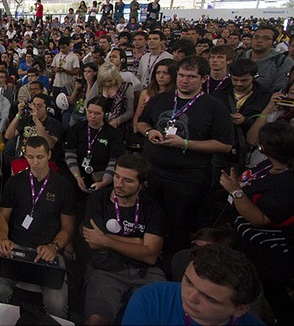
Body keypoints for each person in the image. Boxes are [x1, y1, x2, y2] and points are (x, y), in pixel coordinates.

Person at [136, 56, 233, 254]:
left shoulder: (214, 107)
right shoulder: (161, 99)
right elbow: (141, 122)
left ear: (204, 79)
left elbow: (224, 145)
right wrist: (149, 132)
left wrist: (186, 144)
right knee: (147, 218)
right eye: (181, 75)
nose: (184, 80)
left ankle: (173, 260)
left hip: (187, 179)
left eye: (191, 76)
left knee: (178, 225)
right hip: (152, 172)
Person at [0, 136, 76, 319]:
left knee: (57, 305)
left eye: (40, 157)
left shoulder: (63, 186)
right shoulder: (15, 182)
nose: (35, 162)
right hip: (15, 247)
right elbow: (3, 215)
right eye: (30, 157)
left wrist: (55, 246)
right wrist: (3, 238)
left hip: (48, 251)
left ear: (49, 155)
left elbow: (68, 227)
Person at [219, 122, 294, 323]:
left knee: (268, 291)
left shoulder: (288, 183)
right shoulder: (270, 165)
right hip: (246, 240)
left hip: (269, 250)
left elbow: (259, 219)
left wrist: (235, 191)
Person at [81, 154, 167, 325]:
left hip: (146, 272)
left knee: (152, 319)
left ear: (141, 185)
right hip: (106, 269)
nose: (119, 184)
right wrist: (137, 242)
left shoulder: (152, 208)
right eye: (117, 176)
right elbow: (92, 241)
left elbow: (150, 255)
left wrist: (106, 240)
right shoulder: (98, 199)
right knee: (96, 320)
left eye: (128, 181)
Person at [122, 245, 263, 326]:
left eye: (209, 298)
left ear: (240, 309)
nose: (191, 297)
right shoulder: (151, 298)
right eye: (189, 282)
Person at [66, 96, 125, 193]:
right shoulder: (77, 128)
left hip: (102, 175)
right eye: (89, 112)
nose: (92, 116)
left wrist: (104, 182)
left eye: (97, 113)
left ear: (104, 114)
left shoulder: (113, 133)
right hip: (77, 172)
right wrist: (77, 176)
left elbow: (115, 160)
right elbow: (70, 153)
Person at [237, 25, 292, 93]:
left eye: (265, 38)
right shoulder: (239, 57)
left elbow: (279, 89)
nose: (259, 41)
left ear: (273, 42)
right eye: (256, 37)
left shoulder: (282, 62)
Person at [132, 59, 177, 135]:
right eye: (158, 73)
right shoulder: (146, 93)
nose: (161, 76)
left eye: (165, 73)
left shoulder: (176, 94)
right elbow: (137, 115)